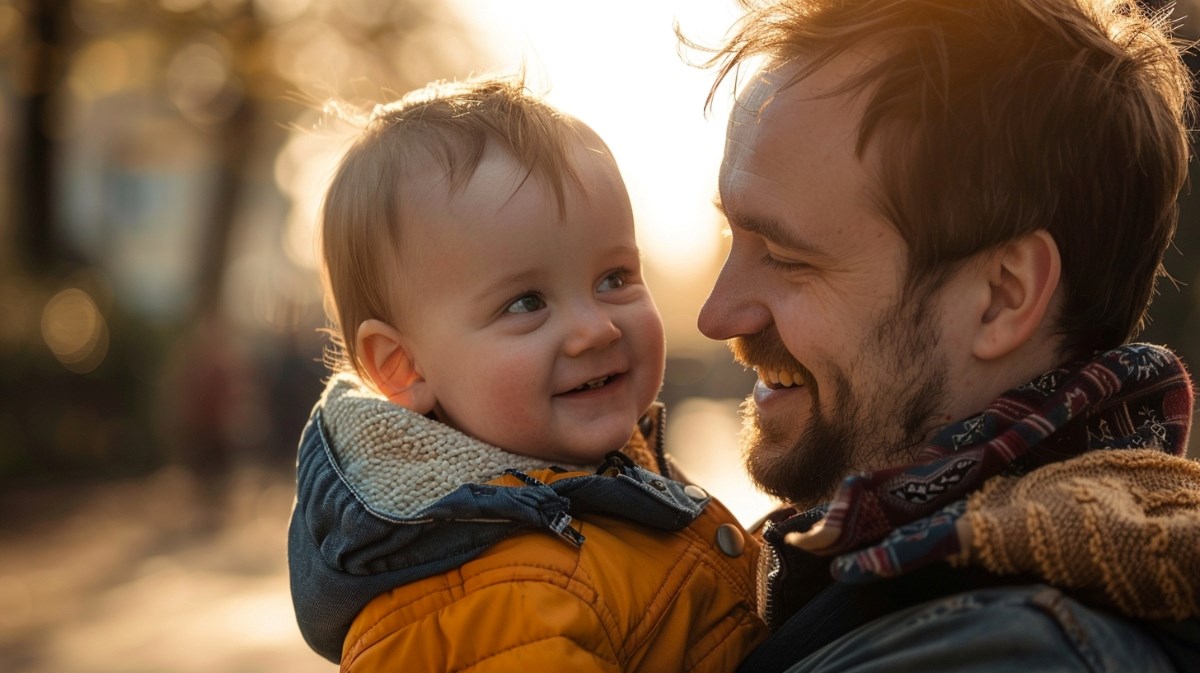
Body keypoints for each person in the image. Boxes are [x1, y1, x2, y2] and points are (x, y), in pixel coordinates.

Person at [688, 0, 1200, 670]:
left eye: (787, 257)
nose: (716, 315)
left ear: (1002, 296)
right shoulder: (895, 579)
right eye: (733, 234)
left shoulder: (998, 652)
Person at [287, 76, 767, 672]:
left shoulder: (592, 481)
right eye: (525, 303)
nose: (596, 328)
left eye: (614, 278)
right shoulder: (485, 607)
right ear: (402, 366)